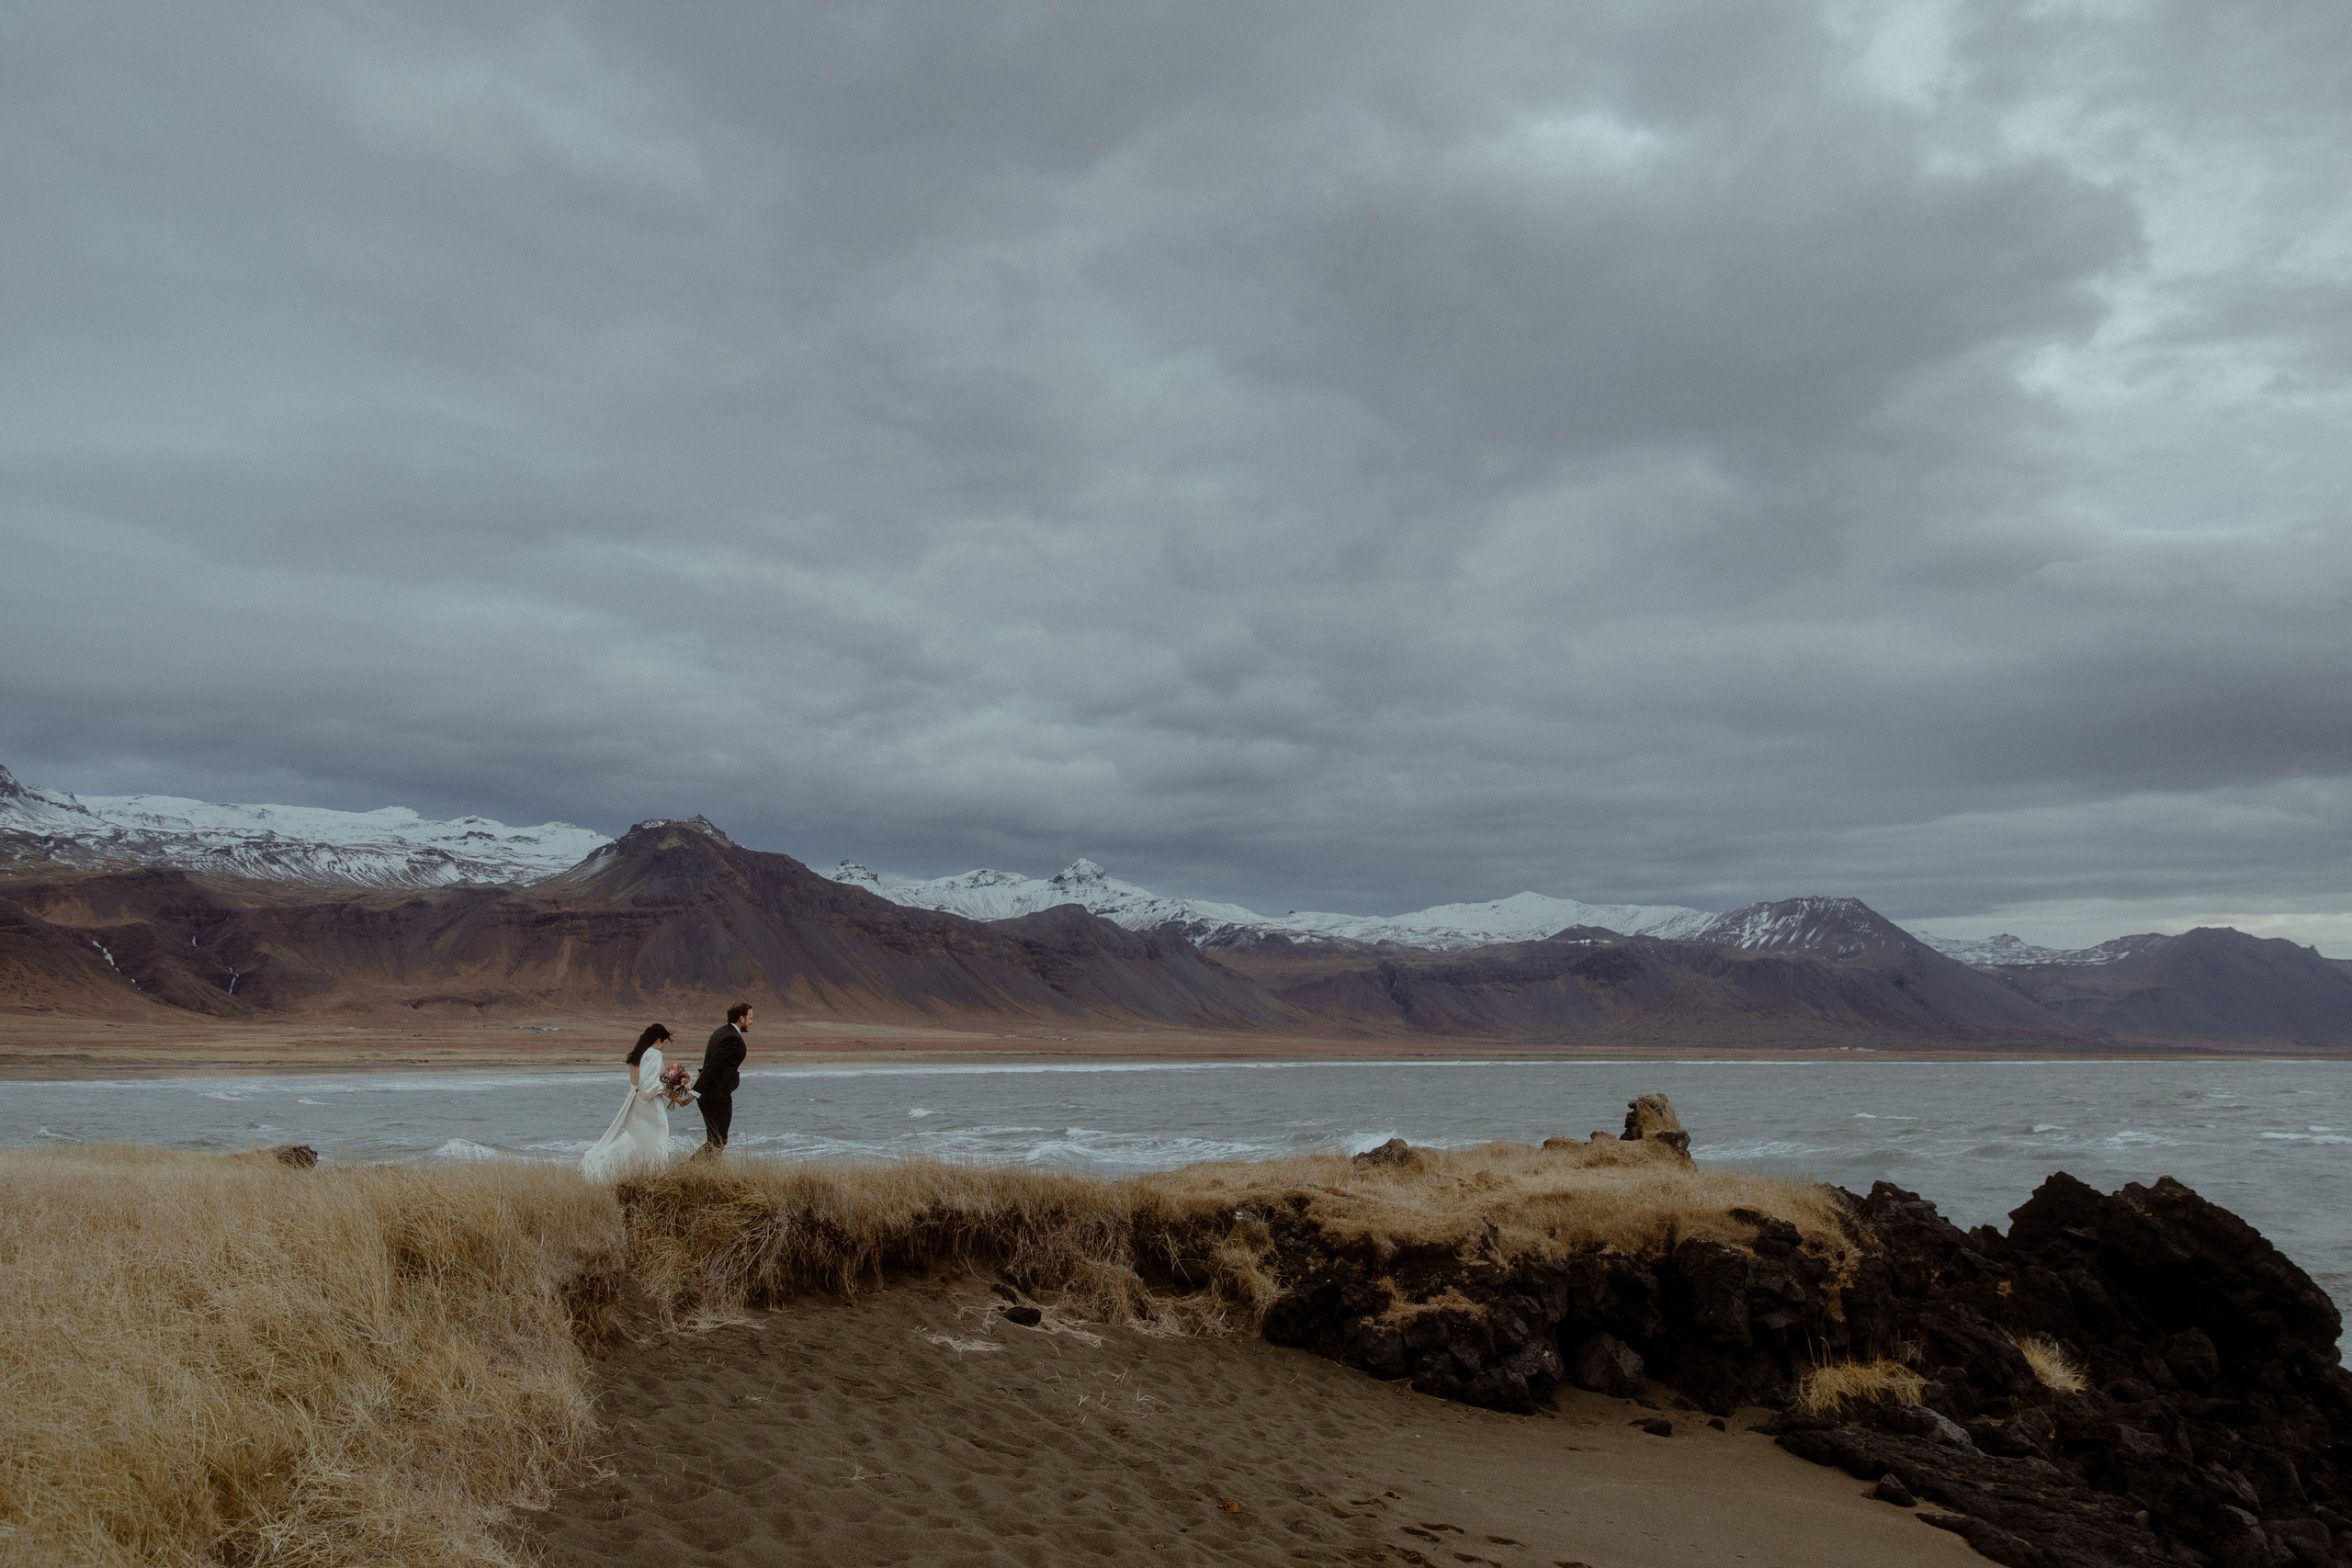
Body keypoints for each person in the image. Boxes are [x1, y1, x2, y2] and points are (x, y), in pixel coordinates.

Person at [580, 1024, 680, 1180]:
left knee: (635, 1139)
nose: (663, 1048)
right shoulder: (654, 1053)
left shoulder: (639, 1054)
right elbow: (649, 1086)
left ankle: (604, 1166)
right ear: (659, 1040)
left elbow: (638, 1085)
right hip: (650, 1104)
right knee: (658, 1136)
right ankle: (656, 1174)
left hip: (636, 1102)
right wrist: (670, 1092)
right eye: (665, 1043)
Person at [694, 1002, 752, 1155]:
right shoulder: (732, 1038)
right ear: (742, 1018)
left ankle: (701, 1173)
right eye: (750, 1018)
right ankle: (682, 1171)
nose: (752, 1022)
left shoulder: (720, 1031)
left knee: (715, 1140)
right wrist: (695, 1092)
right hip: (715, 1096)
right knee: (718, 1141)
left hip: (710, 1095)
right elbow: (712, 1065)